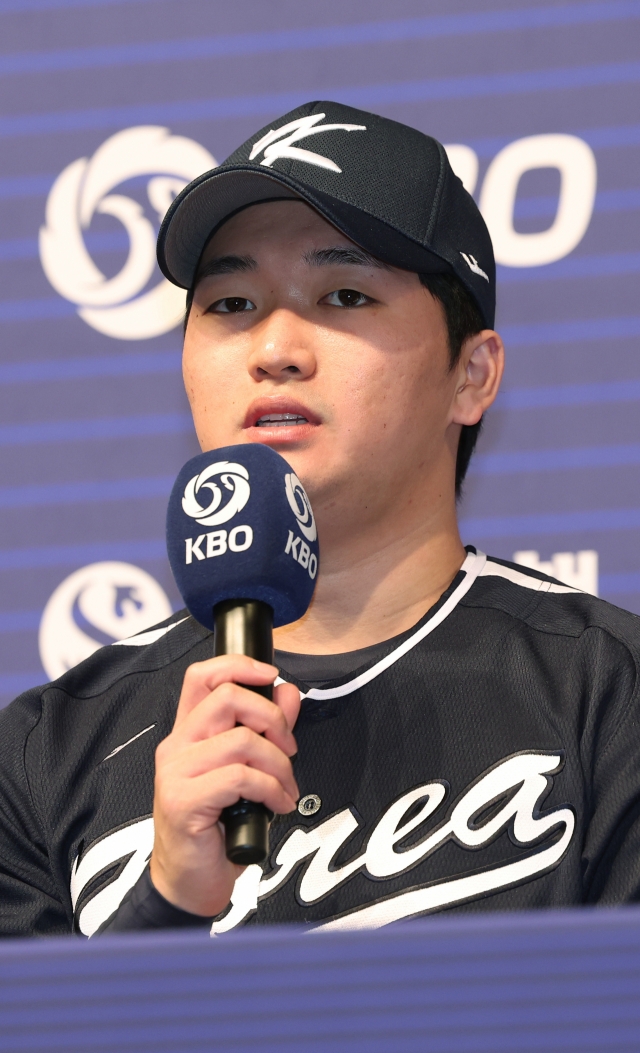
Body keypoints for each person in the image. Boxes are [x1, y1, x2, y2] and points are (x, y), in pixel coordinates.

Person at [2, 101, 640, 939]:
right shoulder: (46, 748)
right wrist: (166, 900)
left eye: (343, 294)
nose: (275, 349)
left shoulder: (611, 691)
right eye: (231, 305)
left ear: (473, 374)